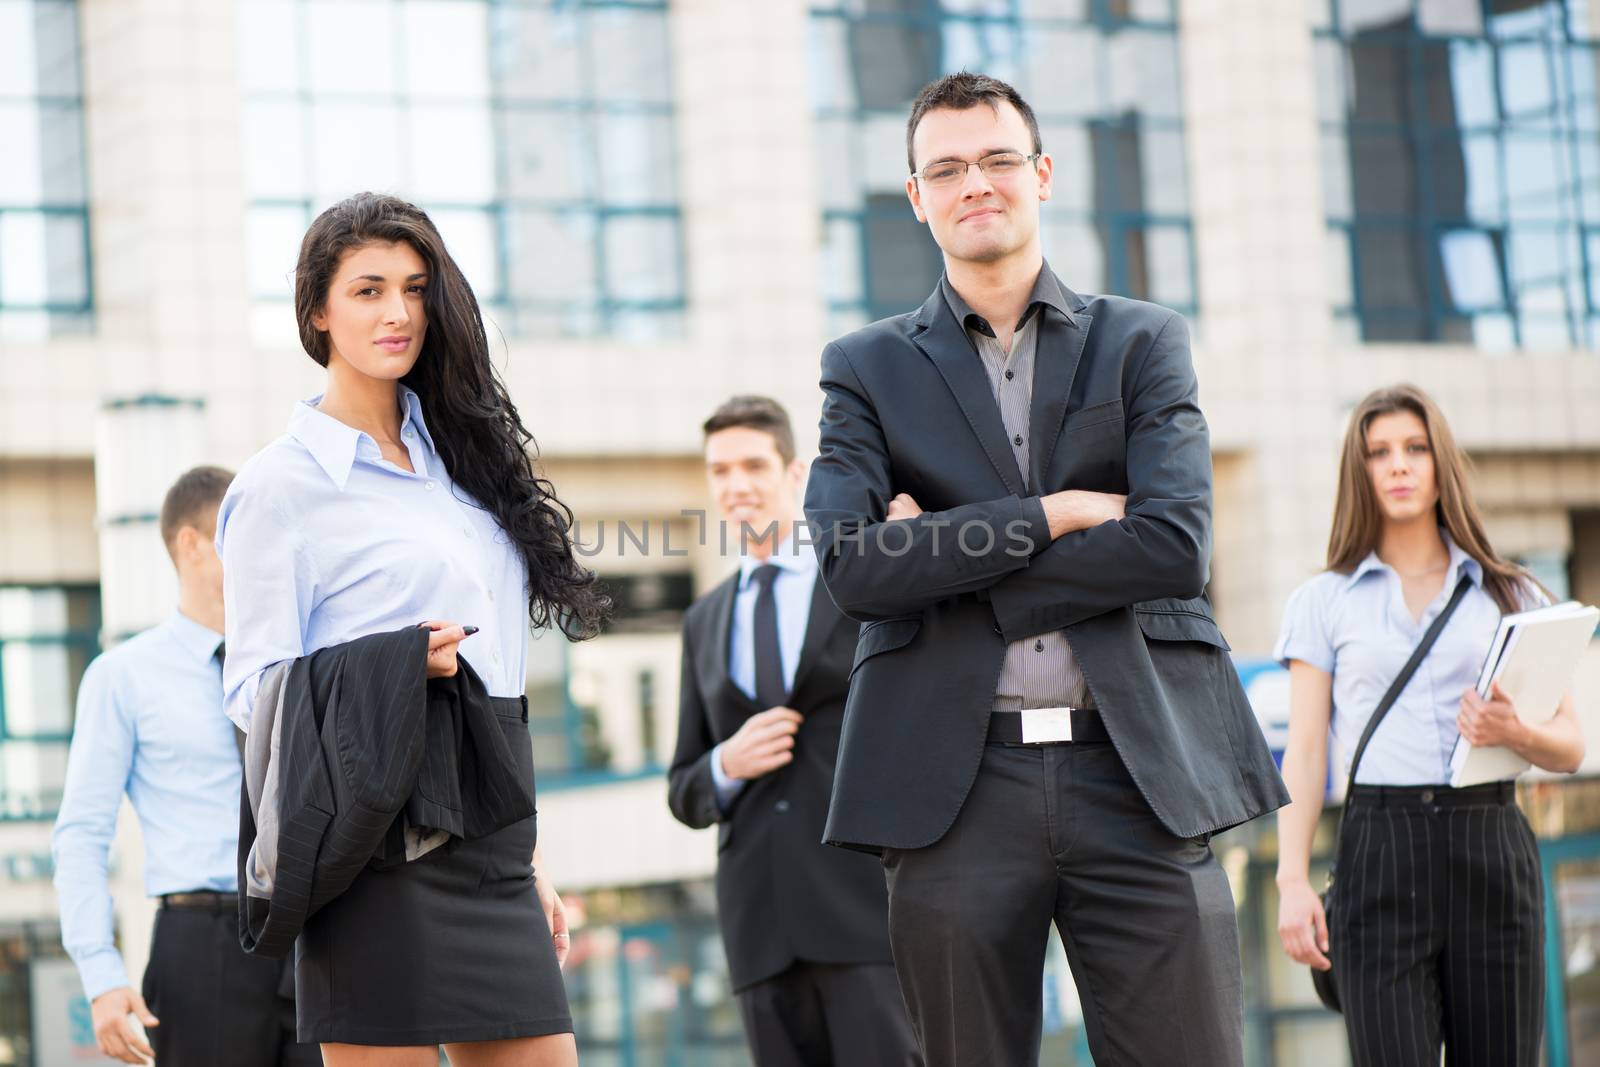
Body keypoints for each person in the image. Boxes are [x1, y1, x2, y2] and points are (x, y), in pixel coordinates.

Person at [802, 72, 1288, 1065]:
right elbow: (853, 567)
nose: (973, 183)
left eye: (995, 160)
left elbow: (1172, 544)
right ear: (916, 196)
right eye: (945, 168)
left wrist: (945, 562)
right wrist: (1052, 514)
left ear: (1041, 173)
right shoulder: (864, 367)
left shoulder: (1142, 340)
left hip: (1138, 766)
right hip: (954, 782)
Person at [216, 192, 607, 1067]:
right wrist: (392, 666)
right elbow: (251, 692)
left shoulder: (461, 464)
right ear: (316, 310)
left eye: (415, 287)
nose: (398, 312)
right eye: (367, 290)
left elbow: (500, 666)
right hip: (372, 841)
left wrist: (531, 855)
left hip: (492, 827)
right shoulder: (280, 488)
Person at [1274, 383, 1584, 1066]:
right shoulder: (1322, 601)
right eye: (1379, 452)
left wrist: (1516, 733)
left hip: (1491, 841)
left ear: (1440, 462)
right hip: (1379, 848)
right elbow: (1303, 751)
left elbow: (1570, 746)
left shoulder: (1512, 592)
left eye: (1414, 448)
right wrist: (1291, 880)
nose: (1399, 465)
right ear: (1360, 471)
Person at [667, 396, 920, 1067]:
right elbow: (683, 787)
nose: (736, 484)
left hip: (864, 909)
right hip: (760, 926)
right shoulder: (703, 621)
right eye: (719, 470)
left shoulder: (857, 585)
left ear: (795, 473)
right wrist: (726, 761)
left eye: (753, 464)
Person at [51, 466, 316, 1067]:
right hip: (202, 947)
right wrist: (101, 974)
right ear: (190, 545)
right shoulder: (122, 677)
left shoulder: (300, 662)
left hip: (314, 938)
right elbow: (81, 833)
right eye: (239, 537)